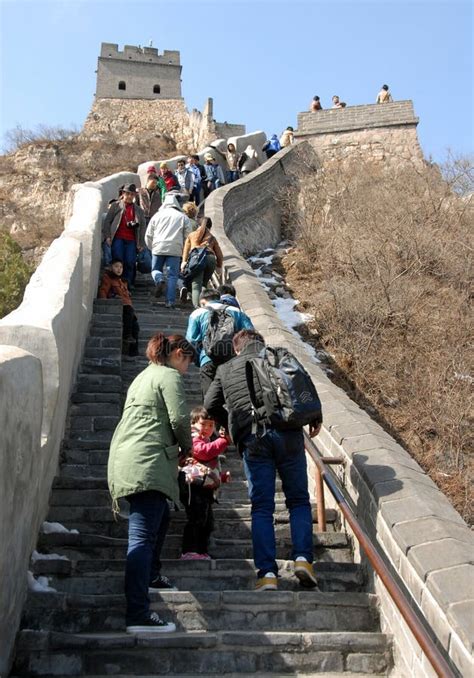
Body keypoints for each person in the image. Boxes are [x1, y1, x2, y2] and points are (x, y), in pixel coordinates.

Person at [204, 329, 322, 591]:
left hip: (254, 441)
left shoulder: (226, 369)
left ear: (237, 348)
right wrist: (315, 417)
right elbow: (303, 386)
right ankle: (303, 559)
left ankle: (267, 574)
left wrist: (232, 428)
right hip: (289, 435)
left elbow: (210, 403)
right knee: (299, 500)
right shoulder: (278, 356)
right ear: (261, 342)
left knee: (261, 507)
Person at [108, 332, 195, 633]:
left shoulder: (143, 376)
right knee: (142, 538)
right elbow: (181, 419)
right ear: (178, 354)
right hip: (147, 461)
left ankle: (152, 574)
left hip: (128, 457)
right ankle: (138, 613)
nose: (188, 370)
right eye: (188, 362)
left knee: (162, 518)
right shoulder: (169, 376)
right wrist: (188, 449)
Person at [179, 406, 229, 560]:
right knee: (196, 517)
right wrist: (223, 441)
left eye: (211, 425)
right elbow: (205, 452)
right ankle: (189, 550)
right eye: (203, 424)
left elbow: (207, 467)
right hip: (192, 486)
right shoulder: (193, 438)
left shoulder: (205, 439)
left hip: (204, 487)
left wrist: (221, 476)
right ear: (193, 424)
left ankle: (201, 550)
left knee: (207, 521)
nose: (207, 428)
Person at [186, 288, 254, 397]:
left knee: (210, 400)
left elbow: (191, 340)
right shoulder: (237, 312)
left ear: (202, 301)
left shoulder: (197, 313)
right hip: (232, 360)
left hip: (207, 360)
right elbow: (250, 335)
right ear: (219, 299)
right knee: (232, 398)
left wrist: (199, 359)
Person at [145, 193, 192, 308]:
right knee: (172, 276)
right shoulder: (183, 217)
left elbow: (148, 234)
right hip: (175, 249)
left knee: (155, 269)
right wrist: (184, 250)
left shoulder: (156, 216)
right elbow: (188, 236)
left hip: (158, 247)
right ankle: (170, 301)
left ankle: (159, 279)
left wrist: (152, 247)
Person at [102, 184, 146, 288]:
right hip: (118, 238)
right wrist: (108, 236)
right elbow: (107, 222)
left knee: (130, 261)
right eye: (127, 194)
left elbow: (142, 227)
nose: (129, 196)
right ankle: (117, 284)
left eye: (132, 194)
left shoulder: (138, 210)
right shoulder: (116, 206)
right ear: (123, 194)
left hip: (131, 239)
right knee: (118, 260)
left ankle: (128, 284)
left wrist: (140, 243)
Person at [98, 259, 140, 356]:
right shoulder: (108, 278)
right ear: (111, 267)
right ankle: (126, 336)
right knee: (128, 311)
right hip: (118, 306)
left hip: (127, 307)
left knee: (136, 326)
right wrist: (104, 303)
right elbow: (103, 290)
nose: (119, 269)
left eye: (121, 267)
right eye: (116, 266)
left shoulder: (122, 281)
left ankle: (133, 352)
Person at [181, 217, 223, 308]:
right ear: (210, 227)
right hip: (210, 259)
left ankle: (197, 307)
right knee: (204, 283)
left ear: (198, 225)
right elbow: (219, 255)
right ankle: (206, 304)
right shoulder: (212, 238)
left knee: (196, 284)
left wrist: (184, 261)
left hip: (197, 260)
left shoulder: (192, 235)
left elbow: (186, 249)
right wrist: (219, 266)